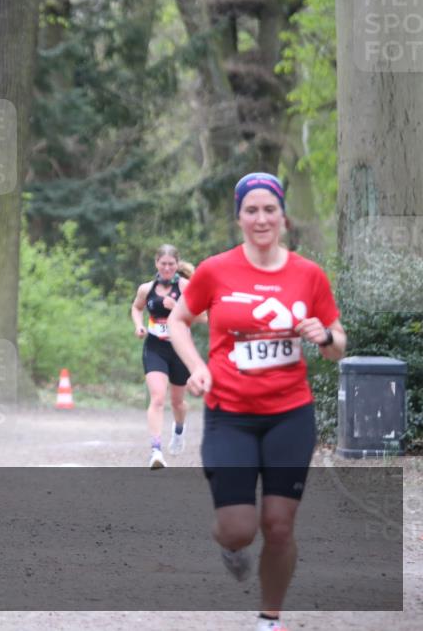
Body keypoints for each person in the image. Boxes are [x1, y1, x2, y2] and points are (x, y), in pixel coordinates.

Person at [167, 172, 346, 631]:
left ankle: (270, 619)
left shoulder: (308, 274)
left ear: (283, 217)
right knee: (239, 527)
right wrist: (196, 368)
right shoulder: (215, 270)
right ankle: (230, 546)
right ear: (240, 217)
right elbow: (179, 321)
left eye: (270, 209)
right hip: (231, 415)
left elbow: (336, 342)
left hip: (290, 414)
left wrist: (324, 335)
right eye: (252, 210)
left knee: (280, 524)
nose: (262, 218)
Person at [131, 244, 198, 469]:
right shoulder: (146, 289)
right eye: (163, 264)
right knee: (157, 398)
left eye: (171, 264)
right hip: (155, 348)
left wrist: (177, 306)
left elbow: (203, 317)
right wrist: (139, 325)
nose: (167, 268)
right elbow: (136, 308)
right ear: (156, 264)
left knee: (177, 402)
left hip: (180, 349)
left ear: (177, 264)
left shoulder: (187, 287)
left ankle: (178, 431)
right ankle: (156, 451)